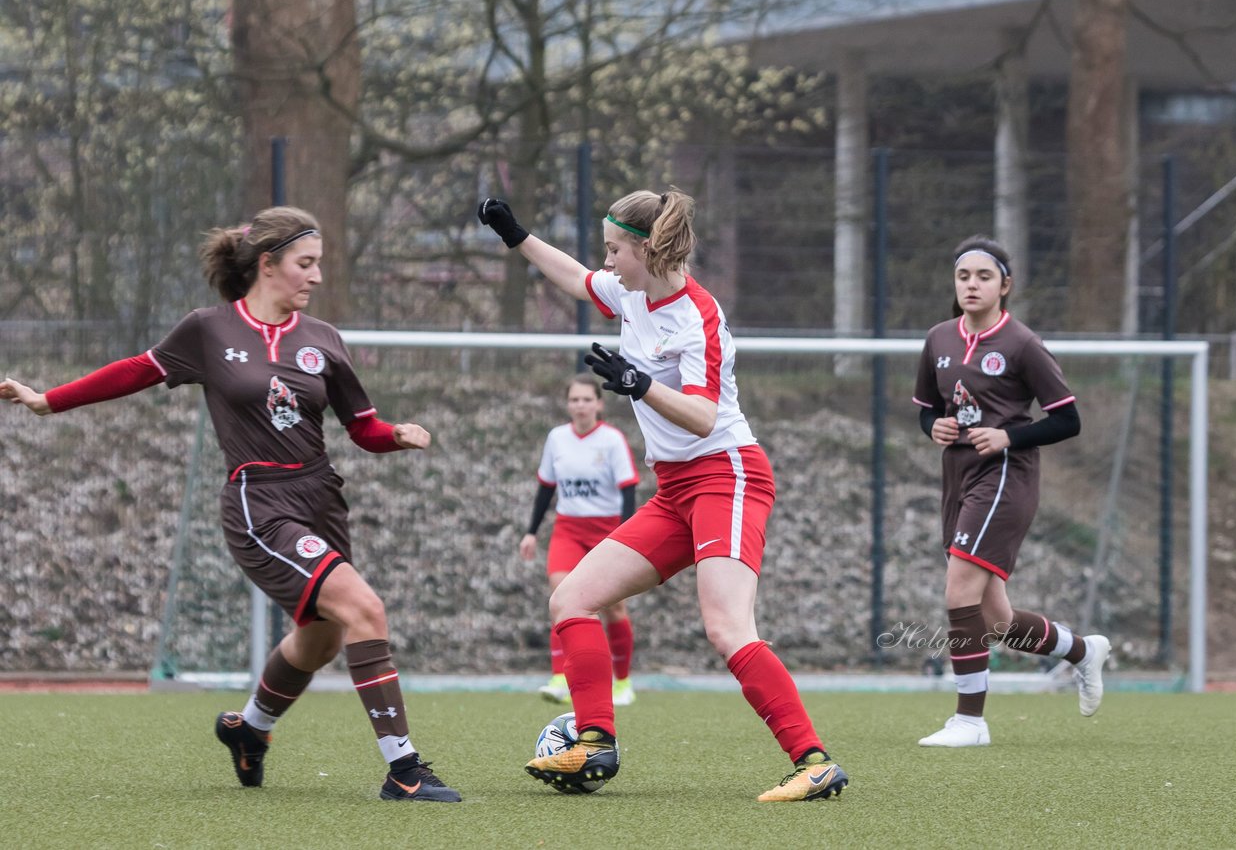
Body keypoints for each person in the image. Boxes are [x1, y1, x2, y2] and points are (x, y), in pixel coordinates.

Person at [0, 206, 460, 802]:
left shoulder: (323, 339)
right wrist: (47, 401)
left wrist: (396, 435)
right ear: (267, 265)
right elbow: (136, 370)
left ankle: (249, 728)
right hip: (259, 502)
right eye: (306, 263)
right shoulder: (209, 330)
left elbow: (363, 427)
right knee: (365, 609)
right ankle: (405, 770)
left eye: (318, 264)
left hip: (322, 497)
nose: (316, 277)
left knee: (322, 638)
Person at [478, 189, 848, 802]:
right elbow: (573, 278)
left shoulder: (697, 314)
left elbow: (703, 418)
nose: (606, 260)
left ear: (645, 248)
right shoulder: (629, 291)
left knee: (727, 626)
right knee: (570, 598)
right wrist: (515, 235)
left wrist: (639, 384)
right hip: (675, 489)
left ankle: (813, 761)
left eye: (614, 249)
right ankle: (594, 742)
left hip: (727, 475)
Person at [910, 234, 1111, 748]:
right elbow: (928, 409)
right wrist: (933, 425)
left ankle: (970, 722)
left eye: (983, 276)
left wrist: (1008, 435)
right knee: (996, 620)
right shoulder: (938, 339)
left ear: (1005, 285)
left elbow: (1068, 419)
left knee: (958, 591)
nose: (972, 285)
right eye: (963, 276)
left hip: (1005, 478)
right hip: (957, 476)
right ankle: (1083, 652)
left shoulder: (1022, 343)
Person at [520, 373, 641, 707]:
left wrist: (627, 536)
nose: (580, 405)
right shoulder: (557, 438)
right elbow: (546, 487)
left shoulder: (612, 440)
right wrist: (531, 531)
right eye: (574, 399)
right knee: (562, 598)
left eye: (587, 399)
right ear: (567, 404)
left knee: (614, 607)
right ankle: (560, 677)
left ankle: (623, 682)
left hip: (607, 532)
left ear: (599, 404)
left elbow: (628, 489)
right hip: (568, 530)